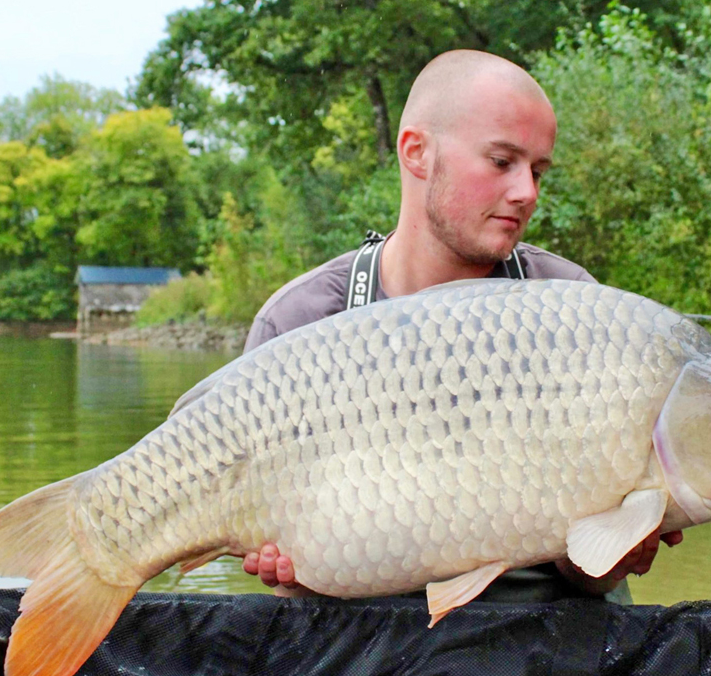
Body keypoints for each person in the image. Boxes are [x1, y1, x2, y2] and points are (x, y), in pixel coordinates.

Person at [240, 49, 681, 604]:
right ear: (417, 152)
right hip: (360, 636)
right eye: (502, 162)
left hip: (542, 637)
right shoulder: (300, 321)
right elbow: (268, 549)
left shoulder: (574, 314)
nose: (527, 192)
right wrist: (281, 561)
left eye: (538, 171)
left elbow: (588, 570)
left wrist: (619, 552)